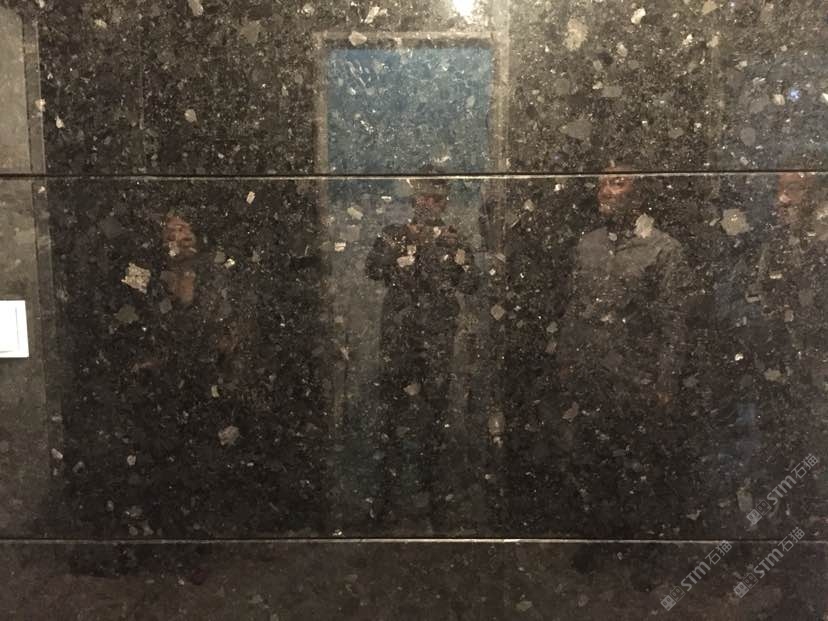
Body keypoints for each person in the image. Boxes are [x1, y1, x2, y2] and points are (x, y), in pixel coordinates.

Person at [556, 168, 695, 537]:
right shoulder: (587, 245)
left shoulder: (664, 250)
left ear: (640, 192)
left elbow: (675, 323)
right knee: (591, 464)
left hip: (637, 381)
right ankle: (598, 540)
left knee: (639, 468)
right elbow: (574, 308)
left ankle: (640, 546)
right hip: (591, 377)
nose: (606, 191)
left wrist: (666, 381)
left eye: (618, 183)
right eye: (602, 183)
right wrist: (566, 361)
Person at [365, 176, 480, 529]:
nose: (429, 203)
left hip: (435, 345)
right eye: (424, 196)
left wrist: (458, 255)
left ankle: (435, 505)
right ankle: (385, 504)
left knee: (435, 424)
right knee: (390, 420)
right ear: (414, 199)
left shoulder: (453, 238)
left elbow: (472, 284)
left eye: (437, 198)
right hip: (398, 343)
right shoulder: (394, 233)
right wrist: (401, 244)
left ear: (445, 202)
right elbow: (372, 269)